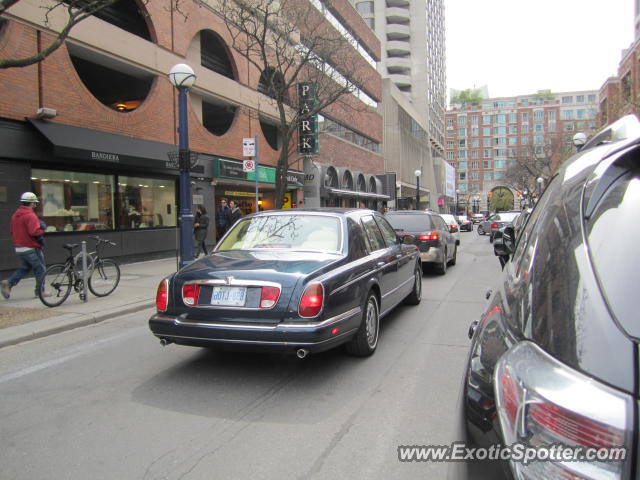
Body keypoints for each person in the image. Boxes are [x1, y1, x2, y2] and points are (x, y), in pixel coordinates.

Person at [1, 192, 50, 299]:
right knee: (40, 269)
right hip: (31, 247)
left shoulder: (15, 215)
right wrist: (43, 230)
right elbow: (34, 232)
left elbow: (11, 231)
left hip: (19, 248)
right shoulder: (30, 215)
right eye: (35, 203)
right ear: (32, 203)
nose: (35, 205)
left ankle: (9, 283)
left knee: (25, 268)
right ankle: (40, 292)